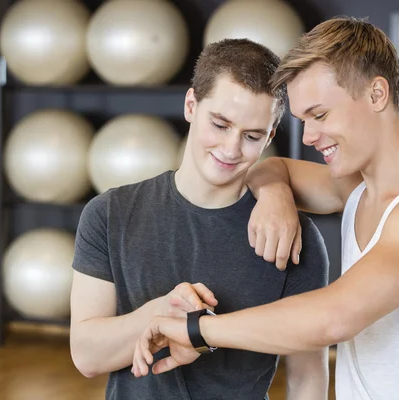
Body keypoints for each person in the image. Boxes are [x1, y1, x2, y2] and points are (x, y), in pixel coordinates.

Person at [131, 16, 399, 400]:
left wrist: (197, 330)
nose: (310, 136)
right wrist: (275, 196)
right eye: (303, 120)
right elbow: (273, 167)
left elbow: (335, 318)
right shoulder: (357, 189)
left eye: (320, 115)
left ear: (376, 94)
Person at [69, 38, 331, 400]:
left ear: (270, 134)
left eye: (252, 136)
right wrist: (163, 312)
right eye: (220, 125)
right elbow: (86, 355)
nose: (231, 149)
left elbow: (308, 377)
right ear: (191, 105)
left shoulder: (293, 237)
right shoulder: (110, 214)